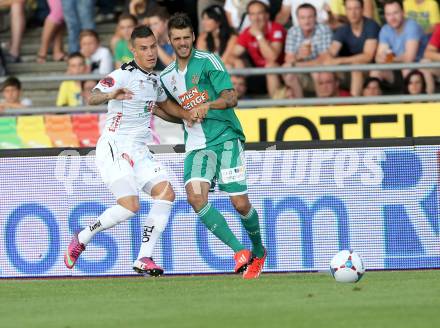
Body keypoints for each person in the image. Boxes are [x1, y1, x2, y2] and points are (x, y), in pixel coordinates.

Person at [64, 25, 198, 275]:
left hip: (139, 149)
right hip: (115, 145)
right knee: (129, 206)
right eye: (144, 48)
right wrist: (111, 94)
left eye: (153, 47)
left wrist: (187, 116)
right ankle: (81, 237)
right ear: (133, 51)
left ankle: (144, 258)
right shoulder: (123, 74)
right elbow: (92, 96)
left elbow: (163, 107)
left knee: (166, 194)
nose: (150, 53)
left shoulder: (154, 80)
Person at [160, 13, 267, 279]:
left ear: (193, 37)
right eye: (177, 38)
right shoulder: (166, 76)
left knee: (240, 204)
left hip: (226, 139)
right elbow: (169, 110)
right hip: (197, 147)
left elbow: (231, 98)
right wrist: (179, 113)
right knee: (195, 197)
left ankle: (259, 250)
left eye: (187, 37)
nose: (183, 43)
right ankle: (240, 251)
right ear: (169, 40)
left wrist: (208, 104)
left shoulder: (208, 61)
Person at [323, 0, 380, 96]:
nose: (353, 13)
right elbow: (331, 52)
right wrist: (329, 59)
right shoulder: (343, 29)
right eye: (349, 9)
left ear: (362, 10)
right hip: (349, 69)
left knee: (356, 67)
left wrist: (340, 60)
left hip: (372, 69)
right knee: (326, 71)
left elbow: (367, 56)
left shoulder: (371, 26)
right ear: (345, 11)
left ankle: (353, 107)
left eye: (356, 8)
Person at [234, 0, 286, 97]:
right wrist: (238, 61)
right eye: (252, 14)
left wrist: (259, 36)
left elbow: (272, 57)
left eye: (259, 13)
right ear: (249, 17)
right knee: (236, 62)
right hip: (257, 73)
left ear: (267, 15)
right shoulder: (247, 31)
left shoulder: (276, 29)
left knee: (270, 66)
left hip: (280, 74)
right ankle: (236, 104)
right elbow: (234, 53)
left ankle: (276, 106)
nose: (256, 18)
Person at [282, 3, 333, 98]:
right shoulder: (293, 31)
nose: (306, 21)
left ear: (315, 18)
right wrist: (299, 56)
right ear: (297, 19)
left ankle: (321, 107)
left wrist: (297, 64)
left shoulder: (324, 30)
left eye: (310, 17)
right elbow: (288, 59)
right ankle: (300, 107)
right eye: (302, 18)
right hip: (302, 70)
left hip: (321, 70)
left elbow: (324, 59)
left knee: (316, 73)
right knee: (288, 72)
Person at [370, 0, 425, 85]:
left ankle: (412, 98)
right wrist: (382, 58)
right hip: (395, 68)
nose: (392, 18)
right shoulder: (385, 29)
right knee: (375, 71)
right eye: (388, 14)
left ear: (403, 12)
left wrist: (389, 58)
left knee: (406, 68)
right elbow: (378, 57)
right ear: (385, 16)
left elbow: (409, 58)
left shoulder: (412, 26)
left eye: (395, 13)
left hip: (416, 68)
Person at [145, 6, 175, 70]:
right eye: (151, 25)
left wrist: (155, 44)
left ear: (166, 22)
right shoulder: (150, 40)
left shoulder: (177, 40)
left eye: (155, 24)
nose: (152, 28)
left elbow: (174, 67)